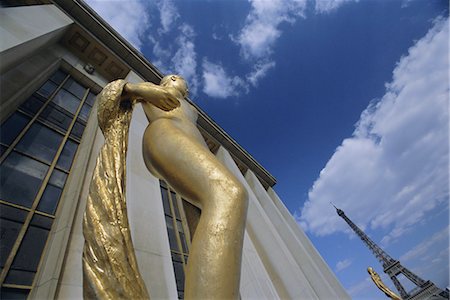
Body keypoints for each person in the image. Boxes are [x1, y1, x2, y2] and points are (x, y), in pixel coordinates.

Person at [122, 75, 249, 299]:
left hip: (193, 149)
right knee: (229, 193)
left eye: (179, 79)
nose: (174, 79)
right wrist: (140, 91)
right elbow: (118, 91)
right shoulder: (151, 88)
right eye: (171, 77)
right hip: (165, 135)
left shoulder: (192, 110)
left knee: (206, 229)